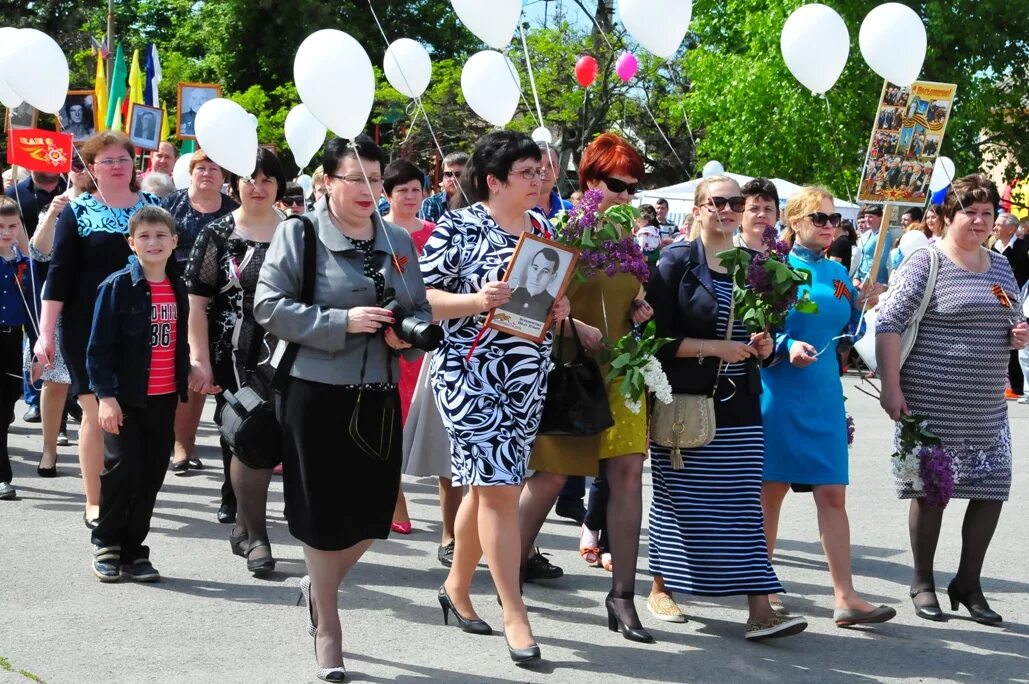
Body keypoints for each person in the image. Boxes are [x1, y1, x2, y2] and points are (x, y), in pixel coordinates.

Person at [255, 135, 431, 681]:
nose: (369, 191)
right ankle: (328, 626)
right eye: (357, 179)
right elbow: (266, 305)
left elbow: (418, 304)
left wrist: (405, 334)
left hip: (378, 390)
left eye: (376, 180)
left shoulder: (397, 238)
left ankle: (318, 584)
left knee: (375, 512)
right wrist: (341, 323)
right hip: (314, 390)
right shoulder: (299, 233)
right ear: (327, 181)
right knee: (321, 511)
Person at [420, 130, 569, 664]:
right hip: (469, 373)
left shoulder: (545, 228)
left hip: (527, 376)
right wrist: (477, 299)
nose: (540, 180)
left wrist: (558, 307)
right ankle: (514, 611)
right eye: (528, 172)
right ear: (494, 181)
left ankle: (456, 587)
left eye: (540, 171)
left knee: (487, 490)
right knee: (502, 490)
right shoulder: (458, 226)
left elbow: (543, 298)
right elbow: (424, 301)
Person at [645, 174, 807, 640]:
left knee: (742, 507)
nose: (730, 209)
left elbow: (770, 340)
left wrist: (765, 345)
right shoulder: (674, 262)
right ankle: (661, 586)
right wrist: (714, 349)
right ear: (697, 209)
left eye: (737, 201)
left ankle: (760, 609)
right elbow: (654, 341)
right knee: (678, 501)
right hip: (686, 401)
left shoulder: (757, 264)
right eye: (719, 201)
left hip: (742, 403)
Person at [876, 174, 1028, 625]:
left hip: (986, 408)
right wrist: (891, 386)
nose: (980, 222)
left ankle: (968, 583)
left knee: (991, 491)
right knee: (931, 491)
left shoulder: (999, 266)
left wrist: (1018, 334)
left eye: (987, 214)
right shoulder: (927, 261)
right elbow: (888, 324)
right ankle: (923, 582)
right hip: (931, 402)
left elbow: (1010, 316)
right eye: (970, 213)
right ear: (946, 217)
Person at [521, 132, 654, 639]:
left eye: (633, 187)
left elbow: (628, 300)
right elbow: (529, 305)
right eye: (617, 184)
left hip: (623, 371)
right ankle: (508, 572)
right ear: (591, 181)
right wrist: (575, 327)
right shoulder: (562, 231)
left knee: (626, 476)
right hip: (571, 373)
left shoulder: (627, 240)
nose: (626, 195)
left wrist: (641, 308)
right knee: (552, 477)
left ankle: (622, 596)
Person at [758, 187, 895, 627]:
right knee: (770, 494)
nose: (829, 226)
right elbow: (755, 328)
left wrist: (861, 305)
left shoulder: (839, 273)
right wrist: (784, 345)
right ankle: (761, 589)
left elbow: (847, 333)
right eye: (819, 218)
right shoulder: (775, 270)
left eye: (833, 220)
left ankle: (845, 595)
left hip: (823, 393)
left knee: (833, 495)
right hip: (779, 389)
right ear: (794, 221)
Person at [35, 131, 162, 529]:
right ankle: (95, 499)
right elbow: (58, 277)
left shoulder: (155, 206)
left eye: (123, 158)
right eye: (106, 160)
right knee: (95, 412)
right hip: (86, 330)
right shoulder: (78, 211)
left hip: (144, 329)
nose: (117, 166)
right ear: (91, 168)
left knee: (136, 415)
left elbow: (173, 268)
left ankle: (130, 494)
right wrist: (45, 334)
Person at [184, 147, 284, 570]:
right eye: (249, 178)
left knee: (275, 436)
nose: (257, 187)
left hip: (285, 353)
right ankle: (251, 530)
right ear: (234, 183)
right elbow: (196, 303)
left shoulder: (298, 231)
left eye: (267, 180)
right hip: (231, 353)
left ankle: (245, 525)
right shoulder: (217, 234)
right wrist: (199, 359)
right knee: (241, 434)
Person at [86, 206, 191, 582]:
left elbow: (178, 340)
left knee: (151, 475)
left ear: (175, 242)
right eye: (144, 236)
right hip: (124, 398)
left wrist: (189, 368)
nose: (153, 242)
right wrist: (106, 397)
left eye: (161, 235)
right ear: (131, 243)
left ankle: (134, 550)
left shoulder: (179, 287)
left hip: (163, 399)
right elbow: (98, 349)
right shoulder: (116, 286)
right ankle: (107, 543)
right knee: (122, 469)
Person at [163, 149, 238, 478]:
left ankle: (185, 444)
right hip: (173, 297)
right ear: (190, 172)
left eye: (214, 168)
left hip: (218, 304)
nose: (207, 173)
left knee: (198, 376)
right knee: (173, 373)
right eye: (201, 167)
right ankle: (170, 440)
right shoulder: (171, 206)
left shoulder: (234, 212)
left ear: (224, 177)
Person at [29, 156, 96, 476]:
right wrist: (54, 213)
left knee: (99, 384)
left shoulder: (118, 203)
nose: (82, 170)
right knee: (55, 382)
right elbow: (39, 251)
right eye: (77, 165)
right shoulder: (61, 204)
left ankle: (99, 453)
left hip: (102, 306)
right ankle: (49, 449)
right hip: (63, 305)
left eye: (88, 164)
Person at [382, 159, 438, 537]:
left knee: (421, 422)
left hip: (429, 338)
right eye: (402, 189)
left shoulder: (436, 231)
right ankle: (393, 499)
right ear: (387, 194)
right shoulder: (377, 231)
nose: (409, 196)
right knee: (389, 422)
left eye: (416, 189)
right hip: (387, 335)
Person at [0, 197, 34, 501]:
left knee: (8, 404)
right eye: (0, 227)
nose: (6, 232)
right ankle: (3, 476)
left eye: (12, 226)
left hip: (12, 339)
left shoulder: (24, 263)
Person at [992, 212, 1029, 399]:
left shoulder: (1023, 248)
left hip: (1021, 299)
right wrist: (1000, 299)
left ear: (1012, 229)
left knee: (1019, 339)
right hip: (999, 298)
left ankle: (1019, 387)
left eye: (999, 224)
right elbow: (993, 278)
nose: (995, 228)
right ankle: (1010, 385)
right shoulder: (994, 247)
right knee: (1003, 338)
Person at [502, 247, 559, 321]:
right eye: (535, 268)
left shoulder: (554, 305)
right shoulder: (507, 293)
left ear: (553, 277)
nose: (537, 276)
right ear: (529, 269)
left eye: (545, 271)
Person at [421, 152, 467, 223]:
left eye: (458, 174)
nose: (452, 179)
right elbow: (430, 233)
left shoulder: (480, 202)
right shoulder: (431, 203)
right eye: (448, 174)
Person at [735, 178, 779, 252]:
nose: (762, 214)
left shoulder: (784, 257)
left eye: (768, 209)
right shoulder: (725, 252)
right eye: (754, 209)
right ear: (740, 213)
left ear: (777, 215)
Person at [852, 204, 890, 286]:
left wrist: (866, 281)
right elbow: (861, 257)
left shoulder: (885, 235)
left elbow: (881, 261)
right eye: (865, 216)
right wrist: (856, 277)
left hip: (876, 281)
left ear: (880, 218)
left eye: (871, 216)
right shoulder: (866, 234)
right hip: (860, 279)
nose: (867, 219)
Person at [536, 144, 572, 220]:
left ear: (558, 171)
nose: (544, 170)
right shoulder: (516, 208)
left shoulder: (569, 210)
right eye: (539, 164)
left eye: (551, 165)